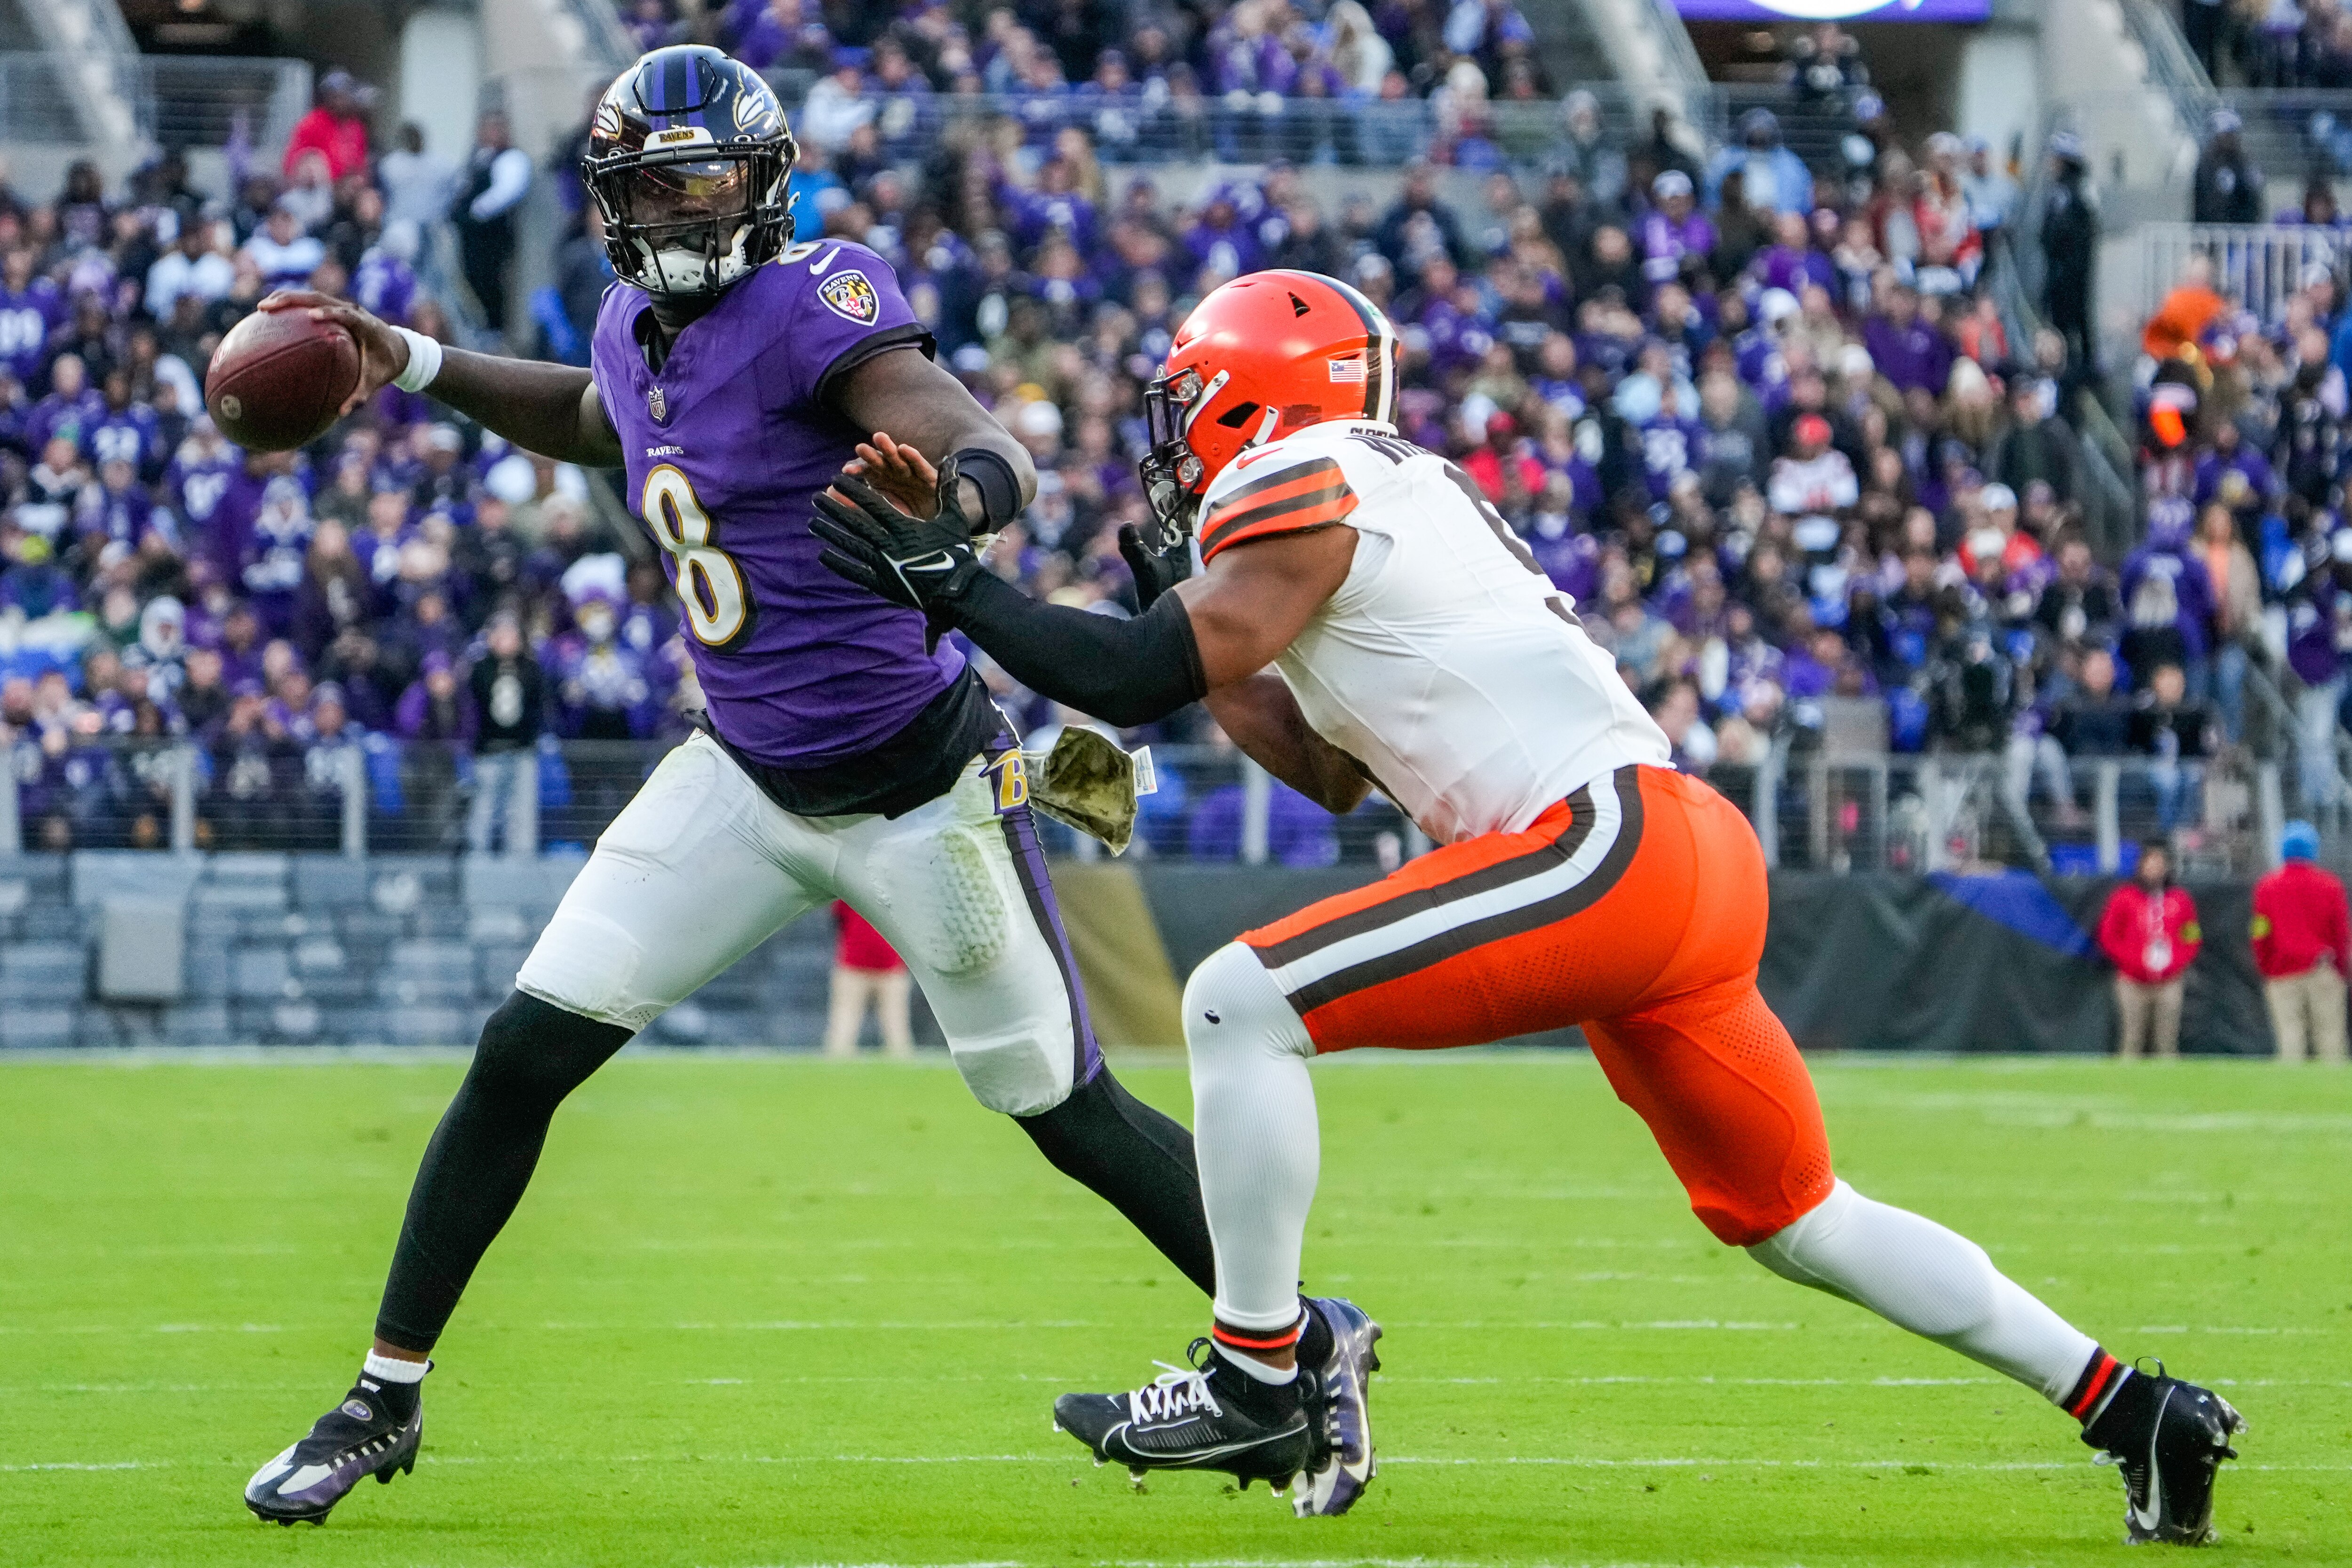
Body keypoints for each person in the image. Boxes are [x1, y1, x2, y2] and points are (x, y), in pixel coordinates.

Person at [812, 268, 2249, 1538]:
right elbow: (1324, 769)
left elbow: (1128, 678)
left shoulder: (1303, 465)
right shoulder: (1372, 494)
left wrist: (957, 586)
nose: (1170, 438)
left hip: (1604, 846)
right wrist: (1208, 658)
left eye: (1189, 399)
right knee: (1797, 1216)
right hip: (1668, 860)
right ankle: (2135, 1404)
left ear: (1252, 398)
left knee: (1233, 1002)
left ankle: (1259, 1371)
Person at [240, 46, 1242, 1528]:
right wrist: (417, 360)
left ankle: (1292, 1341)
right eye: (654, 185)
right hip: (742, 778)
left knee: (1065, 1108)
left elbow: (971, 433)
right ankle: (382, 1396)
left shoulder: (810, 306)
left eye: (704, 177)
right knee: (522, 1052)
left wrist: (953, 504)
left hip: (922, 797)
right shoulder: (637, 327)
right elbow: (601, 419)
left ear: (763, 185)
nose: (682, 207)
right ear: (613, 203)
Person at [2251, 821, 2350, 1062]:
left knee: (2290, 1036)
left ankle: (2289, 1095)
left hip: (2282, 972)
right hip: (2322, 969)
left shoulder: (2268, 886)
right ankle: (2334, 1095)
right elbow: (2341, 933)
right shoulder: (2330, 885)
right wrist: (2342, 970)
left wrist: (2267, 966)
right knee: (2330, 1038)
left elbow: (2260, 932)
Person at [2096, 842, 2201, 1058]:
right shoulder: (2124, 898)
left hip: (2170, 980)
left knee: (2167, 1042)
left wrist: (2177, 963)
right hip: (2132, 981)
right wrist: (2131, 962)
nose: (2155, 869)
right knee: (2132, 1039)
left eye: (2160, 864)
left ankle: (2169, 1088)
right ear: (2140, 867)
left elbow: (2192, 936)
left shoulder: (2181, 900)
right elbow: (2109, 936)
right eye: (2150, 864)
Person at [451, 111, 532, 335]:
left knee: (492, 285)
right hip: (472, 237)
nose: (490, 134)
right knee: (471, 280)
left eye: (496, 128)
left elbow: (508, 192)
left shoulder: (512, 158)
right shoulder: (478, 157)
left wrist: (475, 213)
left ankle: (495, 333)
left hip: (492, 237)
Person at [824, 900, 914, 1057]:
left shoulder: (893, 889)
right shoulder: (851, 886)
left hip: (889, 968)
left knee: (897, 1033)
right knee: (843, 1030)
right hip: (855, 967)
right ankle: (834, 1076)